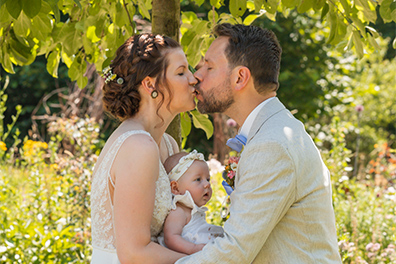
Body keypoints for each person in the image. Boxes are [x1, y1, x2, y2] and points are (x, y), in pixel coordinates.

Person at [176, 23, 342, 263]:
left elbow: (235, 250)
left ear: (240, 77)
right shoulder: (274, 130)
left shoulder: (272, 144)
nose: (197, 75)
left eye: (209, 67)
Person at [90, 33, 197, 263]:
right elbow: (133, 253)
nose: (193, 79)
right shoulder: (138, 146)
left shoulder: (167, 144)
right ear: (150, 84)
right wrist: (208, 259)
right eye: (181, 72)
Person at [158, 150, 224, 254]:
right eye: (198, 179)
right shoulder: (178, 211)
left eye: (207, 179)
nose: (207, 184)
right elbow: (171, 238)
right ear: (175, 188)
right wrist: (193, 249)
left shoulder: (192, 210)